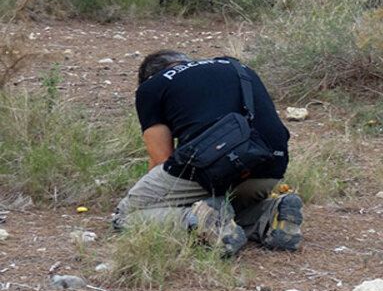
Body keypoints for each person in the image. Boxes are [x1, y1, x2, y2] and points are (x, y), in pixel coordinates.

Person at [111, 51, 303, 256]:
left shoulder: (152, 86)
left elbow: (161, 159)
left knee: (126, 215)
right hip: (270, 166)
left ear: (149, 77)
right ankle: (269, 214)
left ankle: (200, 223)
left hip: (216, 162)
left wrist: (162, 198)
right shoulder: (239, 68)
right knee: (223, 207)